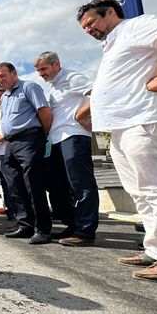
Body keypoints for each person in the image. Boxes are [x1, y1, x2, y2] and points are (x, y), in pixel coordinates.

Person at [77, 0, 157, 281]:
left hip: (141, 122)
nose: (88, 30)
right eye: (84, 28)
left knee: (155, 190)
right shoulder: (112, 44)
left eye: (91, 23)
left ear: (110, 12)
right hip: (119, 128)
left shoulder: (136, 26)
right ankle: (155, 250)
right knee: (139, 192)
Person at [34, 51, 99, 247]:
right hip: (57, 141)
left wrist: (81, 115)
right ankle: (72, 225)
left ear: (56, 65)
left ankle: (85, 231)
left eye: (44, 69)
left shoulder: (73, 77)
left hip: (74, 136)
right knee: (58, 187)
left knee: (81, 184)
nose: (41, 74)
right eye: (38, 71)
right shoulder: (53, 87)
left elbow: (98, 93)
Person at [0, 62, 53, 244]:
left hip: (29, 139)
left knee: (33, 184)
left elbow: (45, 112)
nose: (0, 80)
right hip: (10, 143)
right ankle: (25, 224)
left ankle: (42, 229)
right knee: (15, 186)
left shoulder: (29, 87)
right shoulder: (6, 97)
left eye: (3, 76)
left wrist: (41, 135)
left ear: (14, 73)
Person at [0, 87, 16, 221]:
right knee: (8, 186)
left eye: (0, 95)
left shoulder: (13, 107)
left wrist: (0, 138)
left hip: (12, 152)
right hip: (1, 153)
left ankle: (18, 215)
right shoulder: (1, 112)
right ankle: (13, 214)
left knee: (13, 186)